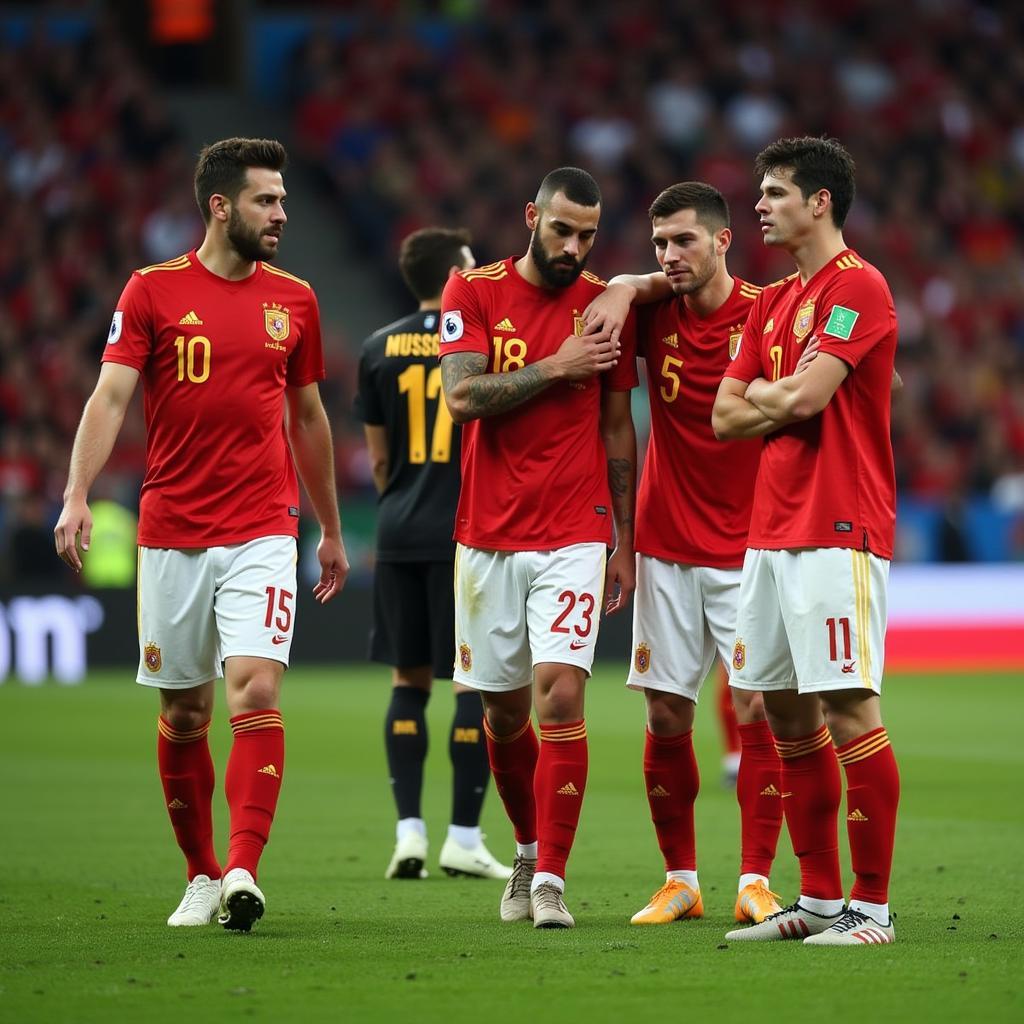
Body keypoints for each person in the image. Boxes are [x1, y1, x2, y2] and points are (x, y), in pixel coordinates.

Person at [54, 137, 349, 933]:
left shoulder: (296, 299)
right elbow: (110, 398)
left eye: (284, 201)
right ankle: (199, 872)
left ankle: (244, 868)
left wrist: (326, 525)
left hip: (263, 526)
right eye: (266, 201)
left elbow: (310, 417)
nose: (281, 214)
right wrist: (77, 493)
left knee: (254, 688)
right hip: (173, 531)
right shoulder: (151, 292)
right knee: (185, 713)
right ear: (220, 207)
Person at [712, 136, 899, 945]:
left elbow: (810, 395)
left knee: (850, 708)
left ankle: (873, 909)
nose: (759, 205)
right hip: (769, 530)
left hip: (838, 526)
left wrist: (771, 394)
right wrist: (774, 396)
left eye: (775, 192)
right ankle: (819, 899)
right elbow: (725, 416)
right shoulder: (771, 301)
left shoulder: (859, 286)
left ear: (819, 201)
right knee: (781, 714)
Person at [439, 167, 638, 929]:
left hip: (575, 529)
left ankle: (551, 876)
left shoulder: (600, 305)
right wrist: (558, 366)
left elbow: (617, 427)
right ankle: (524, 850)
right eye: (562, 230)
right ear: (532, 217)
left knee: (561, 691)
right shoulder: (475, 292)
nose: (574, 247)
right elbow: (462, 398)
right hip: (489, 532)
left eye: (588, 235)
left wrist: (623, 538)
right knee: (504, 715)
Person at [583, 182, 784, 927]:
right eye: (659, 243)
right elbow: (617, 423)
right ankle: (681, 880)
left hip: (751, 549)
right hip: (665, 547)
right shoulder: (651, 311)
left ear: (723, 241)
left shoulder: (767, 313)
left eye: (684, 241)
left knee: (758, 707)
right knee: (667, 715)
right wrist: (624, 543)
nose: (669, 256)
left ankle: (756, 879)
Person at [353, 227, 510, 882]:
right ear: (454, 273)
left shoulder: (376, 347)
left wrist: (403, 504)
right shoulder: (479, 342)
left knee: (407, 683)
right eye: (470, 266)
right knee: (472, 682)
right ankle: (465, 837)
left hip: (397, 530)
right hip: (464, 530)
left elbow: (381, 457)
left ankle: (409, 835)